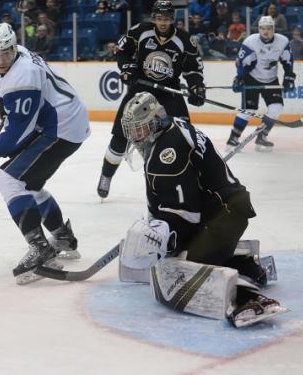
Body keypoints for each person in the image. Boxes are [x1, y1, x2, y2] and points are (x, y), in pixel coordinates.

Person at [117, 91, 287, 328]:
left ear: (155, 121)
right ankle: (248, 266)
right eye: (132, 130)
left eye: (140, 129)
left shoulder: (168, 151)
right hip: (224, 206)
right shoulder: (174, 127)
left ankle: (250, 299)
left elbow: (187, 214)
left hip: (225, 212)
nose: (136, 137)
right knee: (180, 254)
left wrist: (164, 235)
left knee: (189, 267)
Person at [0, 23, 90, 284]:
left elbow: (20, 129)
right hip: (65, 119)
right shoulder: (19, 52)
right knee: (29, 185)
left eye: (5, 54)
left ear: (12, 48)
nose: (0, 60)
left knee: (8, 179)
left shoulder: (22, 78)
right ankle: (63, 237)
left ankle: (40, 249)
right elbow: (18, 109)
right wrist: (3, 101)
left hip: (59, 128)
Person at [96, 0, 206, 199]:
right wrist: (127, 68)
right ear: (154, 18)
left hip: (169, 91)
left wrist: (196, 86)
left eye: (166, 19)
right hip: (141, 88)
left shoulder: (185, 40)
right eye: (159, 18)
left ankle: (189, 177)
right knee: (121, 134)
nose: (162, 22)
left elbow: (193, 69)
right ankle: (106, 176)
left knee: (184, 134)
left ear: (172, 19)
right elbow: (121, 51)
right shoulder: (140, 31)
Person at [227, 16, 295, 151]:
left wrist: (289, 76)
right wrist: (239, 78)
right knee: (249, 110)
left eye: (269, 28)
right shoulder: (250, 42)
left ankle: (262, 136)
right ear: (259, 29)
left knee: (276, 108)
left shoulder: (282, 41)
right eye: (263, 28)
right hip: (251, 78)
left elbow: (288, 60)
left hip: (271, 79)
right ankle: (233, 139)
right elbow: (242, 63)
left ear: (273, 29)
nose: (266, 31)